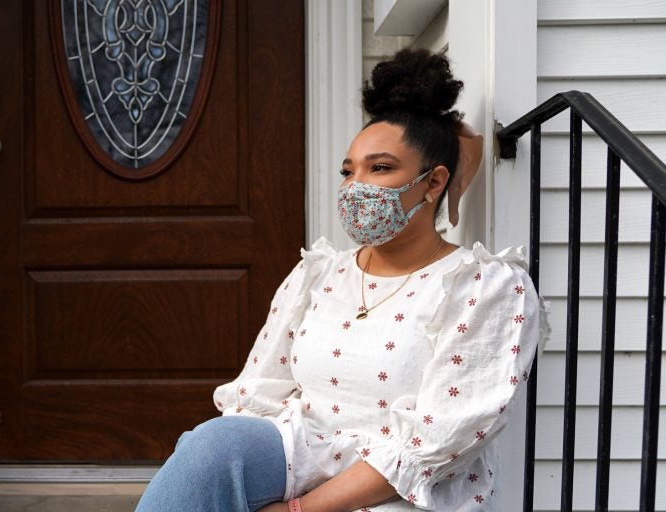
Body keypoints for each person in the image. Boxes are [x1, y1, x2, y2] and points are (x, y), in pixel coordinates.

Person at [135, 47, 548, 512]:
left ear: (433, 183)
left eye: (381, 168)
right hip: (304, 455)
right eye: (348, 171)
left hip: (405, 489)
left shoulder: (485, 287)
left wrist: (300, 510)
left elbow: (442, 437)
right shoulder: (320, 273)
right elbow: (258, 395)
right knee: (211, 447)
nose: (356, 187)